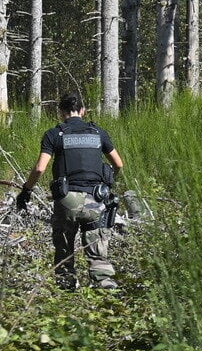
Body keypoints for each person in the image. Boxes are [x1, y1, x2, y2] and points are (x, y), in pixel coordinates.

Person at [15, 94, 124, 291]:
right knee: (98, 254)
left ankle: (66, 292)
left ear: (61, 112)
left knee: (64, 253)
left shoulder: (54, 134)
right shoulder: (98, 133)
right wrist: (109, 182)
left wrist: (26, 191)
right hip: (96, 199)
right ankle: (107, 291)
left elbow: (40, 168)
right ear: (83, 110)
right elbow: (118, 163)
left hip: (67, 201)